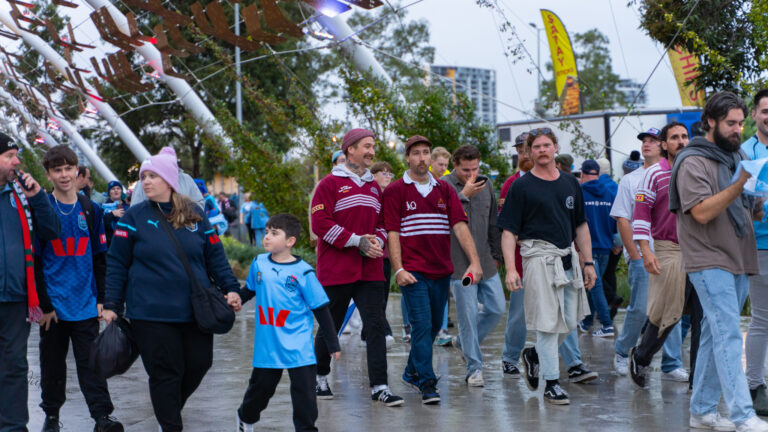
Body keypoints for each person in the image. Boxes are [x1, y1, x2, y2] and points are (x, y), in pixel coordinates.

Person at [102, 147, 242, 432]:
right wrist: (111, 304)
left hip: (195, 309)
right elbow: (116, 262)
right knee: (165, 373)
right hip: (150, 313)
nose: (146, 182)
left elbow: (215, 257)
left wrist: (231, 288)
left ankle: (168, 411)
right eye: (144, 177)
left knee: (200, 363)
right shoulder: (134, 217)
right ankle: (170, 425)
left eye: (153, 176)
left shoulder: (196, 215)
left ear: (168, 180)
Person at [670, 91, 768, 431]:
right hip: (707, 257)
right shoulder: (692, 160)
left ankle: (702, 412)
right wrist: (740, 182)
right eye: (730, 123)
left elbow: (744, 211)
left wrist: (756, 198)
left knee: (714, 335)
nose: (737, 130)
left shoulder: (735, 155)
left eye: (741, 123)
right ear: (709, 122)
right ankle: (743, 415)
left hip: (739, 254)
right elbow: (701, 212)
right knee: (728, 333)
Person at [497, 127, 595, 405]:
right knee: (547, 324)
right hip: (537, 257)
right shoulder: (521, 186)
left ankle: (534, 355)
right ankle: (551, 383)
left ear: (554, 148)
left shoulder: (570, 183)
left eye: (546, 145)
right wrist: (511, 269)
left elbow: (580, 225)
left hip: (567, 257)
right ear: (529, 151)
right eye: (535, 146)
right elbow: (508, 232)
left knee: (570, 319)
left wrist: (588, 262)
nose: (541, 150)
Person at [383, 135, 483, 404]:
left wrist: (474, 262)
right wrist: (398, 269)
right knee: (422, 325)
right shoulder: (395, 191)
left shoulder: (444, 189)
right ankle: (428, 382)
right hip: (414, 271)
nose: (422, 158)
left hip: (442, 272)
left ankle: (409, 372)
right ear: (407, 157)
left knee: (431, 328)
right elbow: (392, 233)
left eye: (426, 152)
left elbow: (460, 227)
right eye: (416, 153)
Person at [310, 129, 403, 406]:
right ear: (350, 149)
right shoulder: (328, 184)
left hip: (370, 270)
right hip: (337, 269)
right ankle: (319, 377)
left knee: (375, 326)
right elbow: (321, 224)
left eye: (373, 146)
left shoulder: (374, 187)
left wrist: (378, 241)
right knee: (331, 325)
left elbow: (384, 222)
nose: (372, 151)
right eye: (366, 146)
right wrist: (357, 241)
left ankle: (380, 386)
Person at [34, 146, 122, 432]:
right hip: (53, 309)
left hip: (85, 304)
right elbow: (34, 262)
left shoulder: (91, 209)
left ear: (77, 171)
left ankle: (101, 417)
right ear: (48, 174)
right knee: (52, 366)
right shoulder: (41, 210)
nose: (63, 175)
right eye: (57, 170)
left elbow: (100, 257)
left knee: (92, 364)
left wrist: (102, 299)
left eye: (68, 168)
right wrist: (44, 306)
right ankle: (51, 416)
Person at [235, 214, 341, 432]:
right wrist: (233, 301)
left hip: (299, 344)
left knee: (305, 395)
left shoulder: (303, 272)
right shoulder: (259, 263)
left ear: (290, 241)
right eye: (266, 232)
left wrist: (333, 343)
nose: (267, 237)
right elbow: (248, 291)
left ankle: (306, 429)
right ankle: (246, 418)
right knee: (261, 390)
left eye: (274, 233)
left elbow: (320, 308)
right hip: (268, 344)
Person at [610, 127, 683, 377]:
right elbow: (623, 219)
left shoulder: (677, 173)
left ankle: (671, 363)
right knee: (641, 309)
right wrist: (635, 255)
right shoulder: (631, 179)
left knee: (673, 308)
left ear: (663, 145)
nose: (647, 145)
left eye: (653, 141)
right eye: (644, 141)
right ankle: (622, 351)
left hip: (672, 253)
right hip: (643, 253)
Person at [0, 133, 61, 431]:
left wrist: (38, 198)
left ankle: (13, 427)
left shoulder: (22, 195)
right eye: (10, 155)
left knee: (14, 366)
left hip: (14, 297)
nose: (17, 162)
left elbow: (51, 232)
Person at [628, 121, 693, 387]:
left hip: (699, 251)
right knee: (667, 313)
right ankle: (641, 356)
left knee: (698, 315)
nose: (681, 141)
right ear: (664, 144)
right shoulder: (654, 174)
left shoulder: (696, 170)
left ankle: (697, 379)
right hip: (667, 249)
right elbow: (640, 215)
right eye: (674, 137)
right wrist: (645, 251)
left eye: (685, 136)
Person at [442, 144, 505, 387]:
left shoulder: (486, 183)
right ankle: (474, 369)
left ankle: (462, 341)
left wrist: (496, 255)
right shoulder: (444, 186)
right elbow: (442, 218)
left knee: (497, 308)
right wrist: (464, 194)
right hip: (461, 267)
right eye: (465, 170)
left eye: (475, 169)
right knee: (468, 315)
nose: (471, 175)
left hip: (486, 263)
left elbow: (492, 222)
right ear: (454, 165)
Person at [742, 88, 768, 416]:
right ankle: (754, 386)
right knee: (761, 318)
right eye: (765, 111)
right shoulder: (745, 152)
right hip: (758, 245)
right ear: (755, 115)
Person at [498, 132, 530, 377]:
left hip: (552, 256)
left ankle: (572, 362)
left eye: (526, 149)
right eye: (519, 151)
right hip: (521, 260)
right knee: (518, 313)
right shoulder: (510, 184)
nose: (523, 155)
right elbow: (505, 223)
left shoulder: (555, 179)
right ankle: (510, 357)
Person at [577, 159, 616, 337]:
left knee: (595, 285)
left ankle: (607, 325)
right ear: (598, 175)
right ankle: (586, 322)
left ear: (583, 174)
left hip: (588, 250)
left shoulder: (579, 194)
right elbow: (616, 221)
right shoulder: (609, 193)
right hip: (606, 247)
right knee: (593, 284)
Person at [364, 161, 396, 346]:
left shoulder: (391, 197)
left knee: (383, 295)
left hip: (387, 255)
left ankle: (365, 333)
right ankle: (384, 331)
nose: (387, 176)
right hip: (371, 252)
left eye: (389, 173)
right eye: (383, 173)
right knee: (376, 298)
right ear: (373, 175)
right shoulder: (371, 195)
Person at [430, 146, 455, 344]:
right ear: (431, 163)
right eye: (440, 164)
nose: (443, 168)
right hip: (427, 243)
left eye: (446, 165)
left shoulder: (447, 182)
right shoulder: (425, 181)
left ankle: (442, 329)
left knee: (443, 289)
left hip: (445, 244)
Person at [308, 150, 346, 248]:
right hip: (328, 239)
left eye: (347, 160)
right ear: (334, 164)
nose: (345, 164)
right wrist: (315, 239)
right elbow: (314, 212)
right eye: (342, 160)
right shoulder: (325, 183)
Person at [102, 180, 129, 246]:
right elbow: (101, 223)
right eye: (113, 189)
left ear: (121, 191)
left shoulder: (128, 207)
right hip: (110, 244)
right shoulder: (104, 207)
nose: (116, 190)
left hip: (126, 243)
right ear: (109, 192)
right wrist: (112, 214)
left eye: (118, 188)